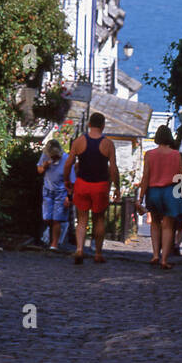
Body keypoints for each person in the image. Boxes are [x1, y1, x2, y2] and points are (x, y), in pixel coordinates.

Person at [64, 113, 119, 265]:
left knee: (81, 220)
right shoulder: (108, 144)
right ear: (103, 125)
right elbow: (113, 168)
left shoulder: (79, 141)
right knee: (99, 219)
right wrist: (117, 187)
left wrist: (67, 180)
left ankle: (80, 249)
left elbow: (68, 164)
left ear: (88, 124)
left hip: (82, 183)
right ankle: (98, 253)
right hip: (100, 185)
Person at [138, 125, 182, 269]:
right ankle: (164, 259)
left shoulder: (150, 154)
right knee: (168, 226)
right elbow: (180, 175)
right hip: (170, 192)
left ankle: (155, 254)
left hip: (154, 192)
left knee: (155, 223)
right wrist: (181, 195)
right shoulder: (176, 155)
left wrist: (141, 197)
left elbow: (145, 177)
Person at [37, 140, 70, 250]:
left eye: (56, 157)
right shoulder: (45, 156)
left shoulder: (66, 158)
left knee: (57, 219)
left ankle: (54, 244)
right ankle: (50, 236)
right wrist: (45, 166)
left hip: (61, 191)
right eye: (52, 157)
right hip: (48, 190)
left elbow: (71, 178)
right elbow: (39, 170)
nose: (54, 159)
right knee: (47, 217)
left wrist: (69, 196)